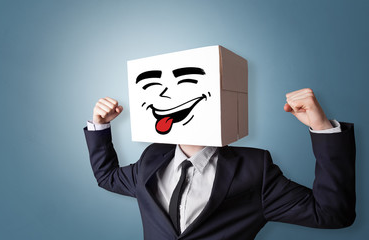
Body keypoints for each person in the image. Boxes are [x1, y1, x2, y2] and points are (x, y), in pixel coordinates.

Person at [84, 88, 355, 240]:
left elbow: (331, 214)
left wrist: (321, 129)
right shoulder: (151, 159)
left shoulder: (254, 170)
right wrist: (100, 125)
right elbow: (107, 177)